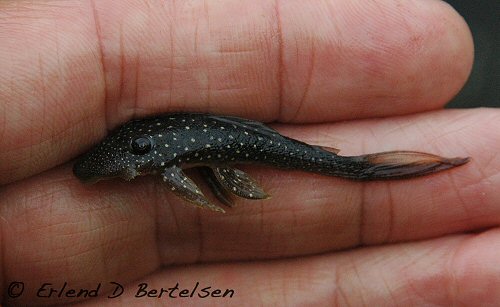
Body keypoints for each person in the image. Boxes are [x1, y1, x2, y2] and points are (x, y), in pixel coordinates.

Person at [1, 0, 494, 305]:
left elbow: (172, 174)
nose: (130, 174)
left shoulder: (162, 162)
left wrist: (195, 188)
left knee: (343, 169)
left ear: (146, 161)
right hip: (228, 145)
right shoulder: (150, 155)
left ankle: (366, 171)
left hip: (238, 145)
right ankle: (365, 171)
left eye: (129, 170)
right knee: (340, 168)